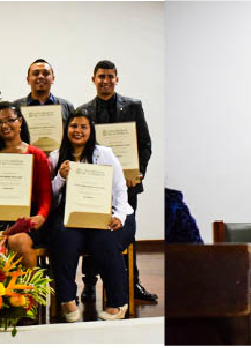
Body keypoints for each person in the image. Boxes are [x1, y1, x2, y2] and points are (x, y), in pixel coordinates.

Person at [76, 60, 156, 303]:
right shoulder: (84, 111)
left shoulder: (133, 107)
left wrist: (137, 173)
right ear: (93, 80)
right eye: (101, 77)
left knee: (124, 232)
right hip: (93, 184)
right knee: (91, 228)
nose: (105, 81)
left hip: (127, 185)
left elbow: (145, 144)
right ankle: (89, 284)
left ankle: (131, 282)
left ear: (116, 79)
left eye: (110, 77)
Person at [49, 109, 135, 322]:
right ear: (66, 129)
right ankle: (67, 300)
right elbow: (50, 196)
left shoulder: (104, 154)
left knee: (104, 239)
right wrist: (60, 177)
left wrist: (119, 217)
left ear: (91, 130)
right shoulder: (55, 156)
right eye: (73, 126)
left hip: (109, 213)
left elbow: (120, 189)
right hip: (73, 215)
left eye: (83, 127)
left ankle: (118, 301)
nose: (77, 131)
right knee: (63, 237)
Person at [0, 102, 53, 269]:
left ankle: (29, 294)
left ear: (20, 121)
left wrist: (41, 216)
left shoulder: (36, 155)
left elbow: (45, 193)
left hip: (27, 219)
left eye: (10, 120)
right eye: (0, 122)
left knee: (19, 242)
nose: (5, 126)